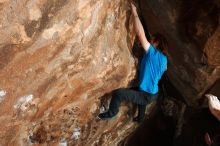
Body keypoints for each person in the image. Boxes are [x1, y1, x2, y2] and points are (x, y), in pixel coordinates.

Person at [98, 3, 168, 123]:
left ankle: (111, 113)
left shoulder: (152, 52)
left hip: (147, 94)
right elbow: (165, 69)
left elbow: (140, 33)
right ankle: (140, 118)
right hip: (153, 93)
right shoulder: (164, 59)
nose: (150, 41)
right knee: (141, 97)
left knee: (119, 94)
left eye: (152, 40)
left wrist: (134, 13)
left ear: (156, 43)